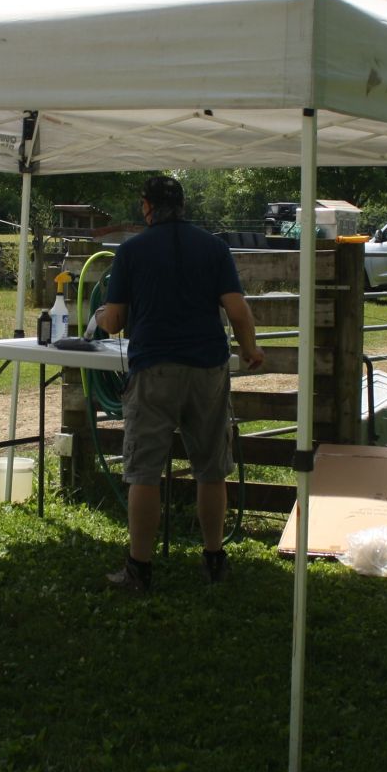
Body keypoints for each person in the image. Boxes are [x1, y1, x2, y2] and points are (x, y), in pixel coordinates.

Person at [96, 175, 263, 591]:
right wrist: (250, 348)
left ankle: (139, 569)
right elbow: (237, 309)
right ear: (183, 206)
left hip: (154, 369)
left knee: (144, 473)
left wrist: (100, 316)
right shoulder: (214, 247)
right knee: (211, 469)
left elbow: (114, 321)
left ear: (147, 207)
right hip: (207, 369)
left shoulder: (131, 251)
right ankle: (213, 560)